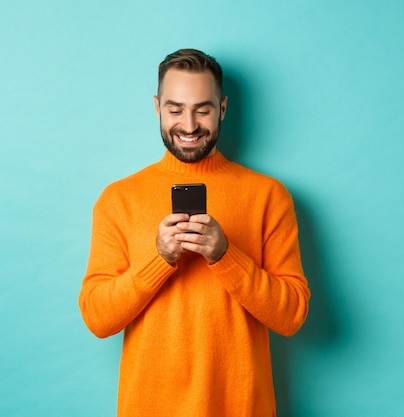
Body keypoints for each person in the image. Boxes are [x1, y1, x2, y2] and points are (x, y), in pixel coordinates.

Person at [79, 48, 310, 417]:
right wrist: (159, 259)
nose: (188, 125)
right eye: (175, 109)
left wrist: (225, 256)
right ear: (157, 108)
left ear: (222, 108)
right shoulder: (118, 199)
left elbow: (292, 315)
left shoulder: (268, 196)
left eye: (202, 109)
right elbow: (97, 318)